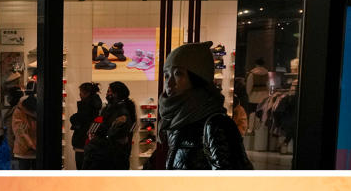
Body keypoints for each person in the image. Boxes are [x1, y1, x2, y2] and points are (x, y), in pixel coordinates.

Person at [155, 42, 252, 170]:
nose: (169, 83)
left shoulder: (216, 125)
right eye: (167, 75)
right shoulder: (175, 121)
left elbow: (230, 183)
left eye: (178, 74)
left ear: (197, 78)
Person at [82, 81, 136, 170]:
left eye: (109, 91)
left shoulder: (122, 113)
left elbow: (113, 135)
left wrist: (96, 137)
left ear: (116, 94)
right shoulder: (110, 109)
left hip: (111, 158)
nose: (107, 94)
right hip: (108, 156)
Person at [69, 83, 102, 169]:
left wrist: (73, 118)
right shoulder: (95, 105)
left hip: (82, 141)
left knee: (81, 167)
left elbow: (79, 118)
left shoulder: (86, 105)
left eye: (81, 92)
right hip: (90, 141)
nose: (80, 94)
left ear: (87, 93)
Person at [11, 84, 38, 170]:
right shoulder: (41, 107)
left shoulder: (18, 110)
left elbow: (19, 132)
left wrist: (31, 144)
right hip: (37, 152)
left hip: (22, 151)